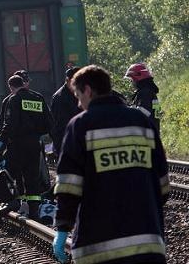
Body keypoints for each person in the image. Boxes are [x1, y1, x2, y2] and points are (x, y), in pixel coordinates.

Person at [53, 65, 169, 264]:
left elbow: (68, 187)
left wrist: (63, 228)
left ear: (88, 91)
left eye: (79, 96)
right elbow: (163, 186)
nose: (79, 105)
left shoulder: (80, 125)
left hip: (97, 248)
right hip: (148, 243)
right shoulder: (141, 122)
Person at [0, 75, 53, 220]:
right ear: (23, 84)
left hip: (17, 144)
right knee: (32, 176)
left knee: (14, 174)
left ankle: (18, 202)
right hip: (34, 143)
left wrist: (1, 141)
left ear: (11, 87)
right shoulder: (38, 98)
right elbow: (49, 122)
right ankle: (34, 210)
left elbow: (9, 124)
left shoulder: (13, 99)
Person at [50, 67, 82, 156]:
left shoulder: (79, 94)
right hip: (66, 143)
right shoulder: (59, 98)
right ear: (68, 80)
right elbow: (58, 126)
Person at [125, 63, 161, 131]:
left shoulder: (146, 93)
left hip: (146, 135)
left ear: (137, 77)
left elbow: (142, 114)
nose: (131, 82)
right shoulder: (149, 92)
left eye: (132, 79)